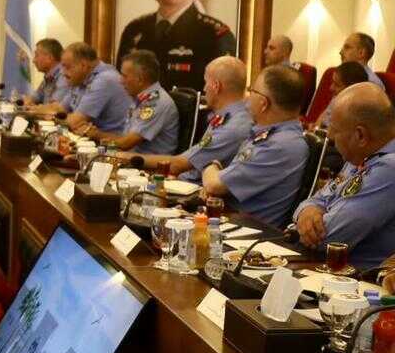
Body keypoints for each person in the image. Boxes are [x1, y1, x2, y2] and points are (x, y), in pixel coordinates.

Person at [294, 83, 395, 270]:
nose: (329, 135)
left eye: (335, 128)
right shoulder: (361, 155)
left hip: (361, 282)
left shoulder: (389, 169)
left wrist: (308, 219)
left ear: (360, 136)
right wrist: (307, 211)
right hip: (330, 272)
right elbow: (318, 199)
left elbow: (328, 240)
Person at [201, 65, 309, 228]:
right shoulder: (270, 134)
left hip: (246, 232)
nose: (247, 97)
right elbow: (216, 186)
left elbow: (213, 185)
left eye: (251, 91)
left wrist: (211, 164)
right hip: (230, 220)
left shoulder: (279, 145)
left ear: (263, 103)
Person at [164, 57, 254, 182]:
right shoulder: (225, 116)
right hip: (188, 181)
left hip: (198, 188)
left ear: (216, 86)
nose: (204, 89)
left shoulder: (234, 127)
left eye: (206, 82)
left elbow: (178, 165)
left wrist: (136, 159)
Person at [87, 50, 178, 155]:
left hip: (147, 163)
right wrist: (96, 133)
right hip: (131, 158)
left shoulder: (156, 103)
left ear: (140, 80)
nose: (121, 81)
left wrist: (97, 136)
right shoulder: (140, 98)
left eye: (124, 76)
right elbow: (124, 138)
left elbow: (125, 144)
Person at [59, 42, 133, 135]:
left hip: (110, 141)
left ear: (83, 65)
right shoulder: (81, 79)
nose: (63, 72)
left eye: (67, 67)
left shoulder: (104, 79)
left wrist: (55, 118)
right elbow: (60, 108)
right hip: (92, 137)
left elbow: (74, 122)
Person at [313, 61, 374, 130]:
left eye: (337, 85)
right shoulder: (338, 97)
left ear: (351, 90)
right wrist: (315, 128)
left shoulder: (355, 115)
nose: (331, 88)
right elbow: (322, 118)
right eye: (333, 82)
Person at [23, 38, 68, 111]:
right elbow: (34, 97)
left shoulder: (64, 76)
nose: (34, 60)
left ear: (49, 58)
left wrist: (35, 108)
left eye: (36, 55)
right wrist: (29, 102)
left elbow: (54, 108)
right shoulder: (48, 76)